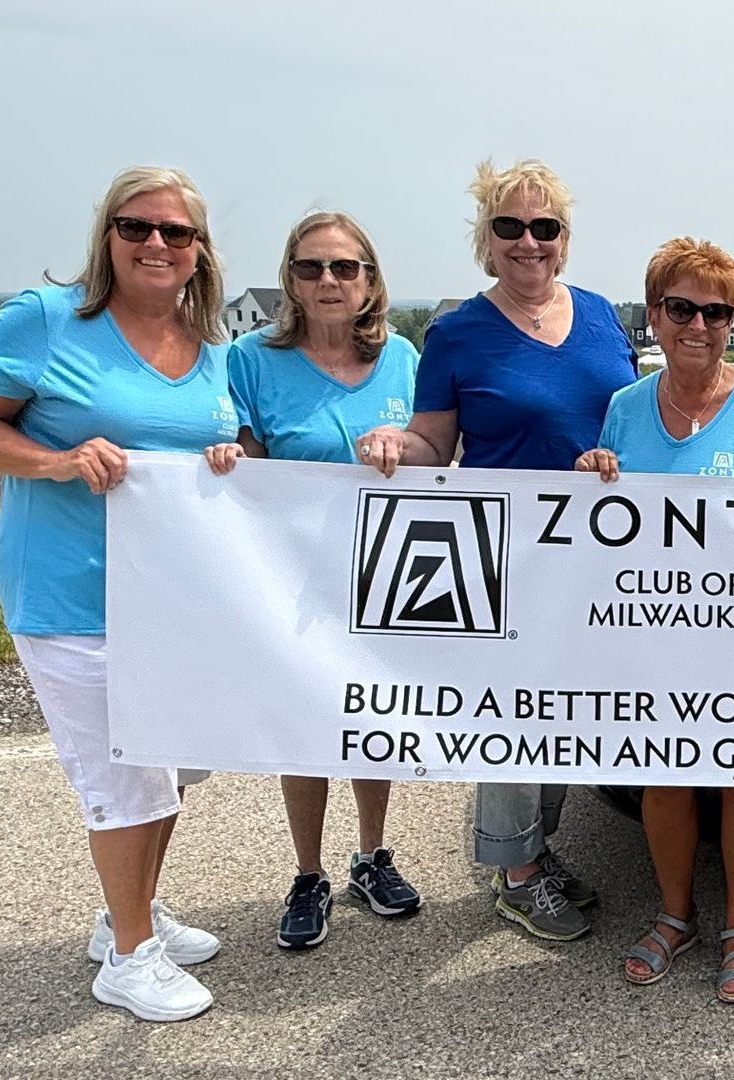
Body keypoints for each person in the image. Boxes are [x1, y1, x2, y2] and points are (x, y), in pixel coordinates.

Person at [0, 166, 230, 1021]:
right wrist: (55, 461)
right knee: (122, 779)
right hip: (71, 593)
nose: (156, 244)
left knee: (165, 769)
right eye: (136, 227)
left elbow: (212, 443)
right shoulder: (46, 320)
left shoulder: (212, 352)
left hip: (170, 601)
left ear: (200, 251)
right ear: (107, 238)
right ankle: (130, 958)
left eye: (175, 232)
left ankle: (129, 914)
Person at [366, 158, 637, 941]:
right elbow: (433, 442)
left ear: (564, 239)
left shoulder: (598, 315)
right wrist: (395, 442)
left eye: (544, 227)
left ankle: (538, 851)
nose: (528, 242)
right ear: (486, 239)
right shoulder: (456, 333)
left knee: (570, 711)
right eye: (510, 227)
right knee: (516, 712)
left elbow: (627, 421)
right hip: (506, 555)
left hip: (596, 552)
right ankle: (514, 873)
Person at [577, 237, 734, 1003]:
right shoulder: (623, 408)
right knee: (664, 778)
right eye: (682, 307)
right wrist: (592, 477)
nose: (698, 324)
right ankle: (677, 915)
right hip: (653, 631)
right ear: (655, 315)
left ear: (732, 320)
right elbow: (602, 516)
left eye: (716, 310)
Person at [203, 211, 423, 950]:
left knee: (372, 718)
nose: (328, 281)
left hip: (381, 570)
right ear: (289, 279)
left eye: (344, 268)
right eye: (310, 268)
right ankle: (308, 873)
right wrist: (230, 461)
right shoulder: (250, 360)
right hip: (292, 575)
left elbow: (433, 455)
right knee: (306, 723)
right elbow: (246, 460)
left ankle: (372, 854)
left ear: (369, 279)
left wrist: (405, 447)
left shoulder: (402, 357)